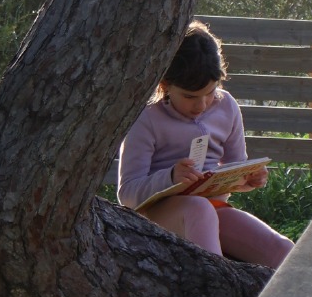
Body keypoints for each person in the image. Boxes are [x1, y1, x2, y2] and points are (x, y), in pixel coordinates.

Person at [117, 21, 293, 269]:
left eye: (210, 92)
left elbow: (234, 165)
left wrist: (248, 177)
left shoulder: (227, 105)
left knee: (282, 250)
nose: (201, 105)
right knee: (199, 210)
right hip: (159, 214)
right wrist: (170, 177)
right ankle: (220, 286)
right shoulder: (146, 118)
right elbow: (127, 195)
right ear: (165, 85)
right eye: (189, 96)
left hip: (214, 207)